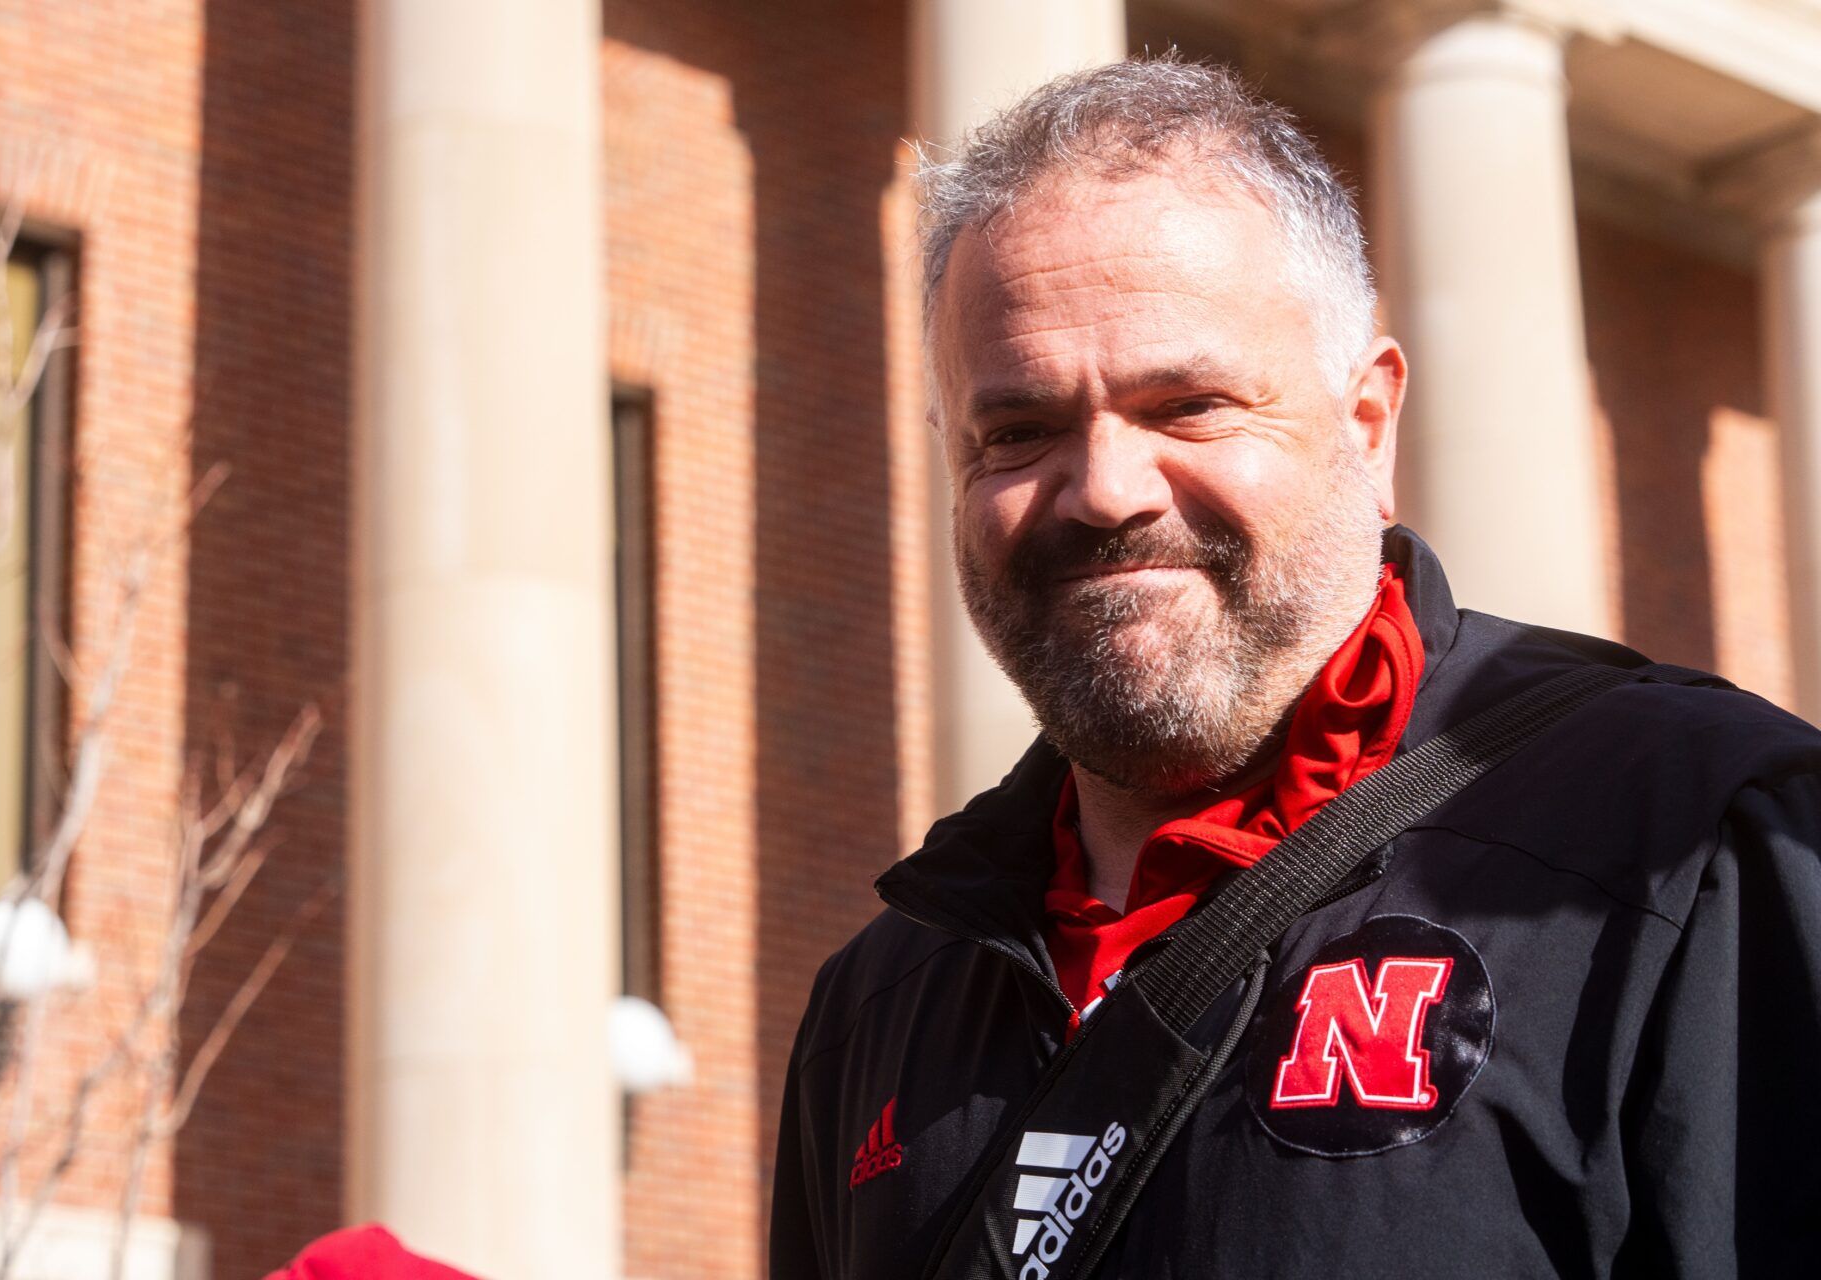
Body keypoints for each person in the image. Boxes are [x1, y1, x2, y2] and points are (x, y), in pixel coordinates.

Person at [768, 56, 1821, 1278]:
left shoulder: (1698, 848)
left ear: (1365, 425)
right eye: (1020, 430)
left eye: (1189, 404)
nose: (1105, 488)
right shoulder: (883, 999)